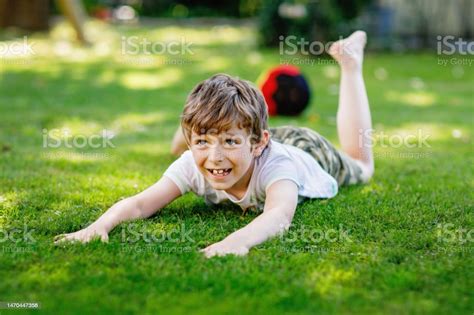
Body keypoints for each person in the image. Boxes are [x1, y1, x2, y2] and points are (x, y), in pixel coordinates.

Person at [54, 31, 374, 258]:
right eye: (203, 141)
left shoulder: (280, 168)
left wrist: (236, 242)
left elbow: (278, 215)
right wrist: (99, 226)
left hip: (306, 149)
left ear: (259, 142)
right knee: (181, 152)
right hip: (254, 141)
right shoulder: (195, 163)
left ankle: (350, 62)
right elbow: (140, 204)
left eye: (228, 142)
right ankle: (205, 130)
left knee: (363, 165)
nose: (215, 158)